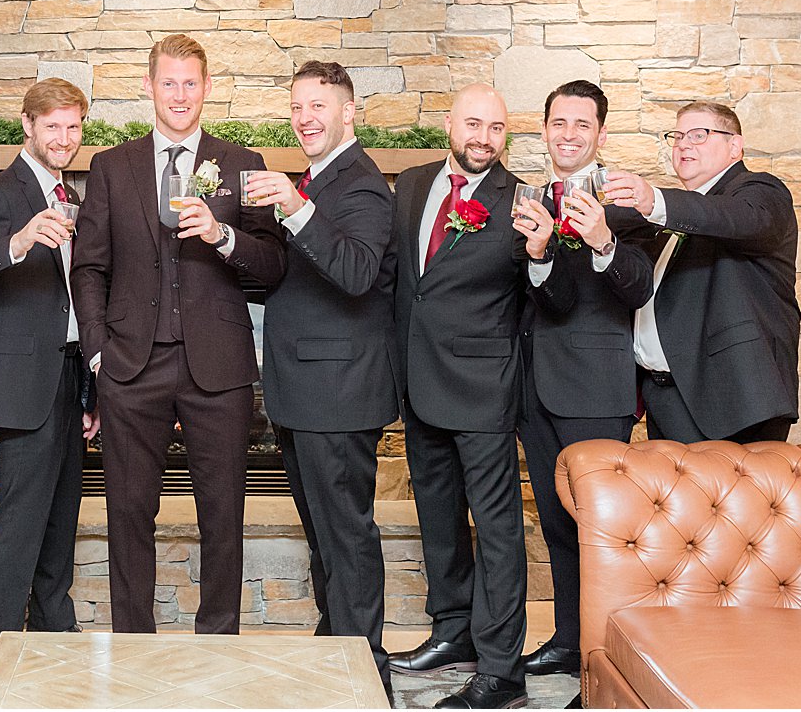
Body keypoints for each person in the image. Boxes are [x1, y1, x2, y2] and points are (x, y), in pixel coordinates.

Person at [70, 34, 286, 635]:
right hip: (129, 367)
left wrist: (224, 236)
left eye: (191, 83)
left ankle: (217, 640)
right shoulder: (112, 167)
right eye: (169, 83)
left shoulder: (243, 163)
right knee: (128, 514)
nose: (180, 95)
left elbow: (272, 264)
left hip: (218, 368)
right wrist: (96, 354)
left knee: (224, 515)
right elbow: (90, 266)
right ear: (149, 87)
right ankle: (133, 640)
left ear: (208, 87)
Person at [243, 61, 398, 697]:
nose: (305, 118)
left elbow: (358, 272)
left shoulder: (360, 185)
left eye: (318, 107)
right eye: (297, 107)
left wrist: (297, 208)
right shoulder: (316, 180)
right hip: (302, 392)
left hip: (339, 394)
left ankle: (365, 670)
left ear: (348, 111)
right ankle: (335, 643)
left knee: (349, 537)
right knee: (324, 537)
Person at [0, 78, 99, 668]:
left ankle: (55, 630)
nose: (64, 137)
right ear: (27, 126)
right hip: (21, 382)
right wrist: (20, 238)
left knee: (62, 514)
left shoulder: (73, 194)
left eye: (73, 127)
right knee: (20, 520)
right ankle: (0, 649)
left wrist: (92, 387)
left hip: (69, 377)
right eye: (52, 126)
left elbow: (75, 303)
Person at [384, 83, 528, 710]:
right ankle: (452, 632)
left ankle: (501, 670)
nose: (484, 139)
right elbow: (404, 284)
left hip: (483, 389)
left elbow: (540, 291)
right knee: (438, 518)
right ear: (449, 123)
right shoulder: (413, 185)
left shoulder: (520, 199)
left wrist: (547, 251)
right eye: (474, 124)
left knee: (496, 531)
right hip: (419, 384)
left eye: (496, 129)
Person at [509, 80, 652, 682]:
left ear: (600, 133)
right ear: (544, 130)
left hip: (595, 389)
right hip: (533, 389)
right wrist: (538, 254)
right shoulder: (531, 199)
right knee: (557, 525)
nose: (568, 135)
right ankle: (570, 638)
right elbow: (550, 299)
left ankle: (605, 658)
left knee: (602, 533)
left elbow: (639, 288)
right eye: (558, 123)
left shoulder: (624, 203)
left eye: (581, 125)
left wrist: (602, 242)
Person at [601, 100, 799, 444]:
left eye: (699, 135)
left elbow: (730, 217)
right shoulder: (671, 215)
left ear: (734, 146)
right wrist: (567, 214)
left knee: (739, 500)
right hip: (665, 396)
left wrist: (655, 201)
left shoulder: (760, 192)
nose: (683, 145)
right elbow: (622, 218)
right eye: (677, 137)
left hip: (732, 399)